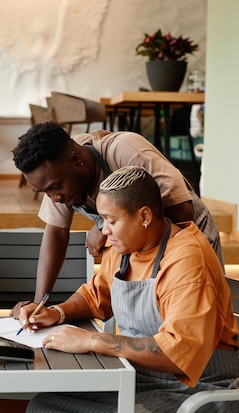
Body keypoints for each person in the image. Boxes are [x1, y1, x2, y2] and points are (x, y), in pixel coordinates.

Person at [19, 166, 239, 413]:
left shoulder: (187, 259)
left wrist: (92, 340)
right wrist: (56, 313)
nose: (103, 230)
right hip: (140, 377)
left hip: (201, 390)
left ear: (145, 217)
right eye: (102, 220)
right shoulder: (124, 249)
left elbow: (178, 354)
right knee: (43, 406)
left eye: (111, 220)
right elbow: (96, 295)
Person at [11, 121, 223, 316]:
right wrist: (40, 304)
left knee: (197, 318)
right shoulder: (56, 176)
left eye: (56, 188)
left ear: (76, 160)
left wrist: (105, 222)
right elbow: (56, 232)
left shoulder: (126, 151)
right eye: (45, 192)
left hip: (190, 239)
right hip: (141, 246)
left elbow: (181, 211)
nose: (54, 198)